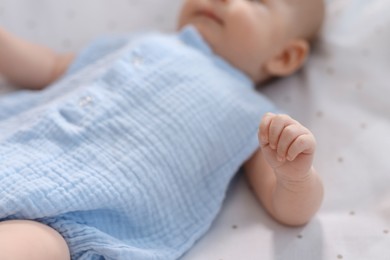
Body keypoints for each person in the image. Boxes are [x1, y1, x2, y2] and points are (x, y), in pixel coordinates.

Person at [0, 0, 325, 259]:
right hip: (15, 151)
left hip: (83, 217)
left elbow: (289, 210)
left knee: (39, 248)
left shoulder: (255, 116)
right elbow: (53, 67)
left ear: (284, 56)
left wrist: (294, 175)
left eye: (254, 0)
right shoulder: (142, 41)